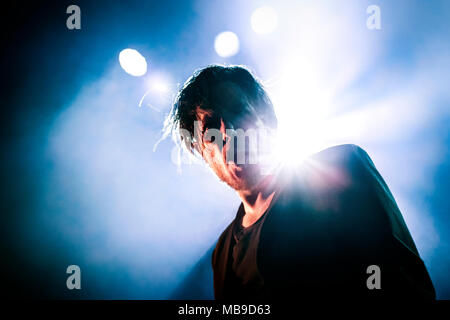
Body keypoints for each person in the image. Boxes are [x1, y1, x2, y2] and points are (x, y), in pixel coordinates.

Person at [162, 65, 436, 300]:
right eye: (210, 129)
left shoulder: (342, 170)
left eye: (237, 112)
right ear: (201, 154)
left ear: (268, 119)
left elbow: (405, 285)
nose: (229, 133)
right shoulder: (222, 255)